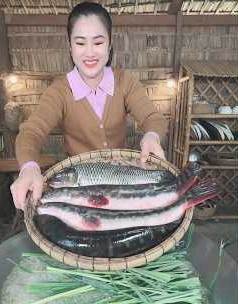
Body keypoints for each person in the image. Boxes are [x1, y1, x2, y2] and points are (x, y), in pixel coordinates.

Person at [11, 2, 169, 209]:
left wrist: (152, 135)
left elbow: (153, 118)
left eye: (98, 42)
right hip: (79, 188)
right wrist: (29, 167)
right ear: (69, 45)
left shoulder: (125, 82)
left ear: (110, 44)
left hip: (122, 180)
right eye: (80, 43)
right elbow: (32, 131)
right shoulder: (59, 91)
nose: (89, 53)